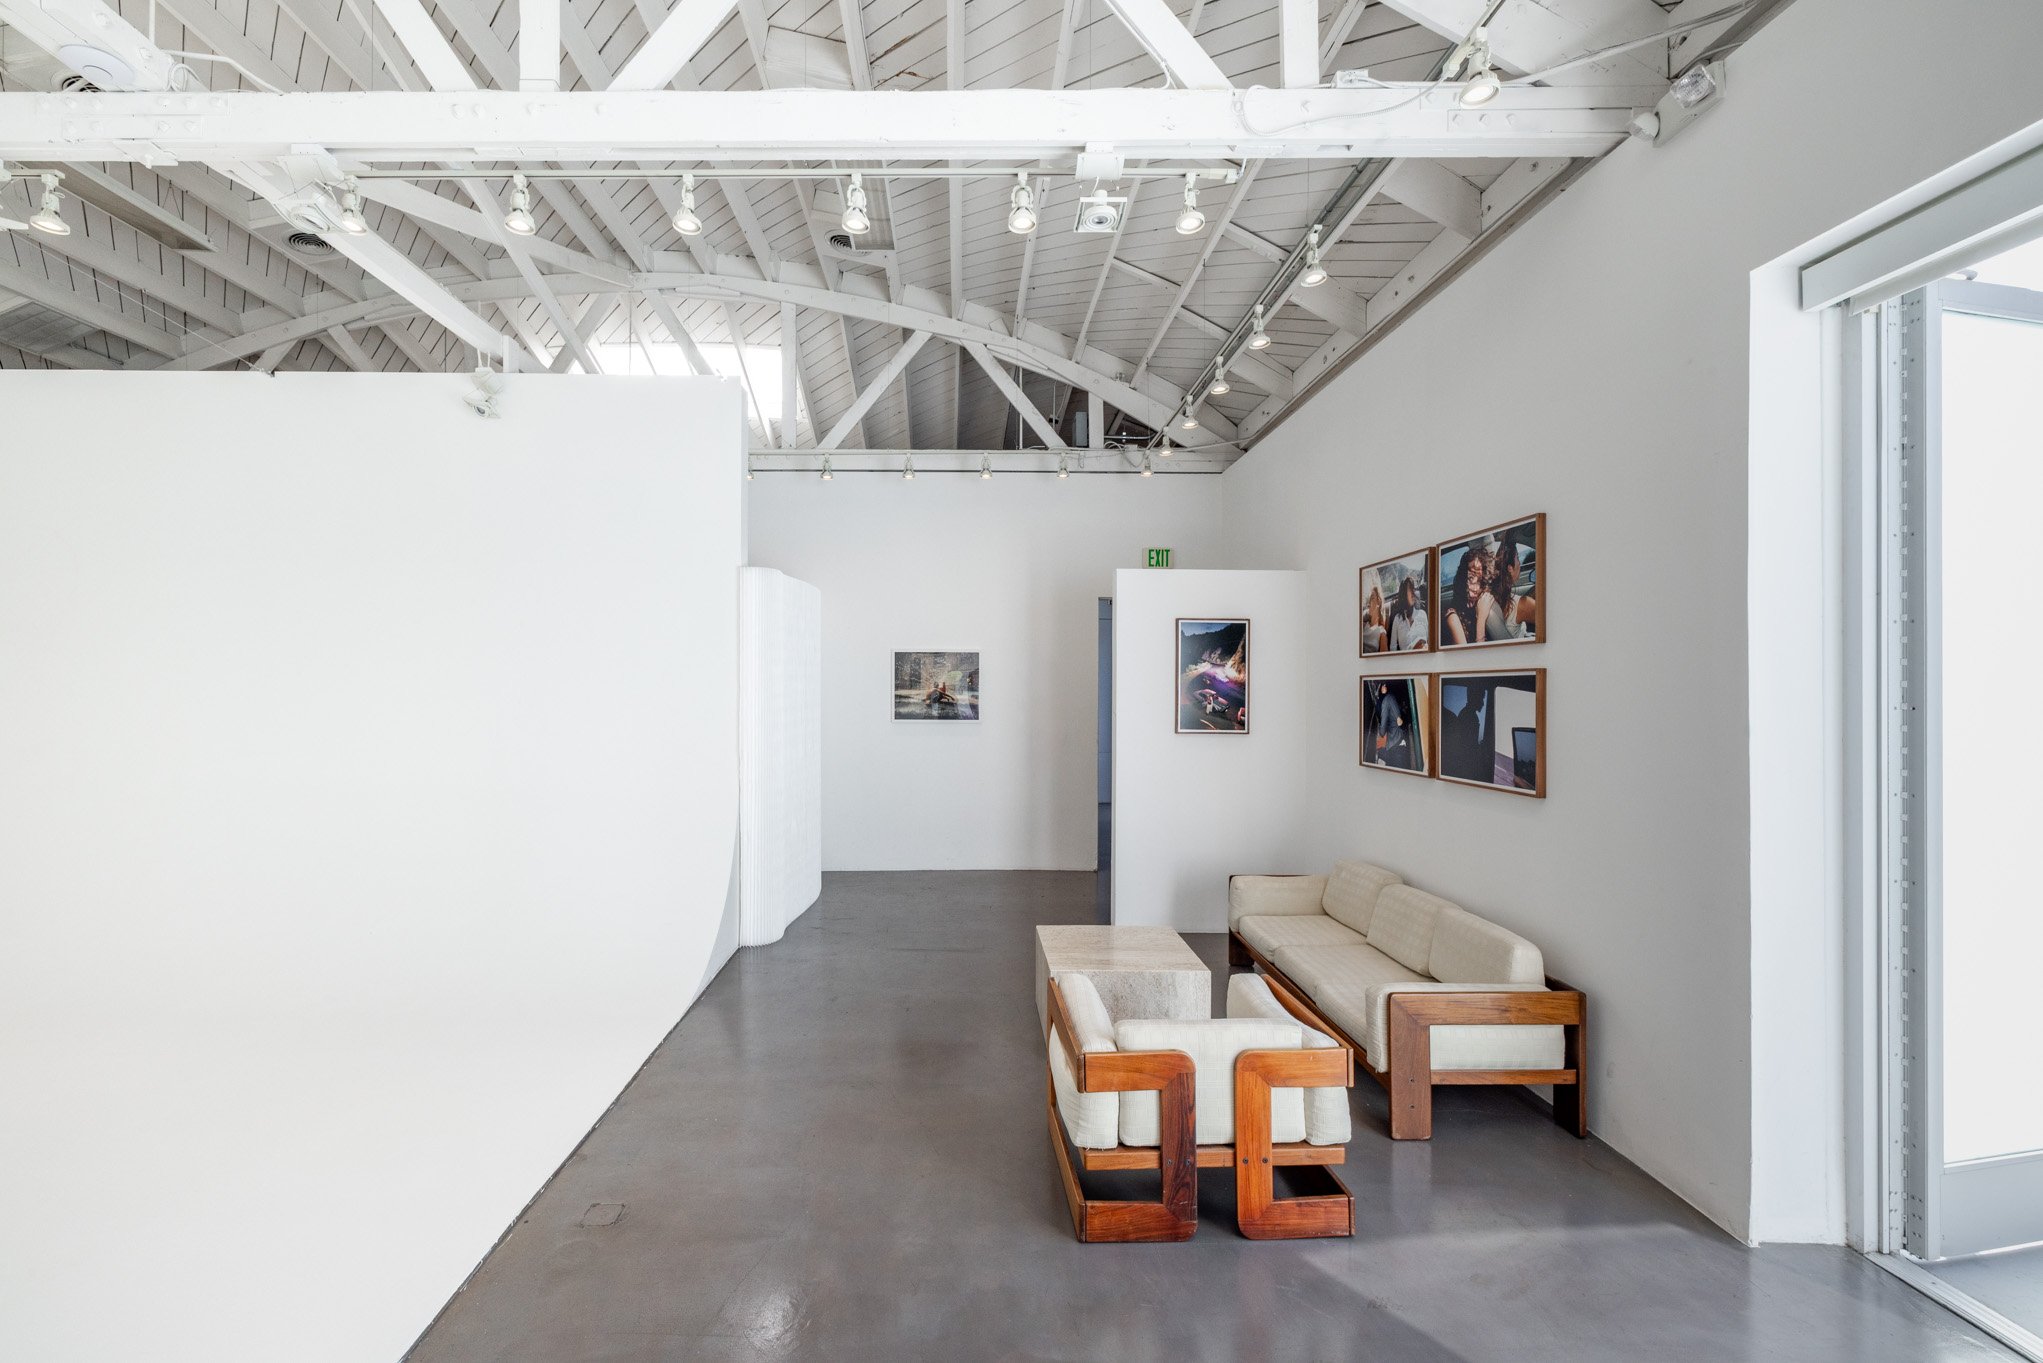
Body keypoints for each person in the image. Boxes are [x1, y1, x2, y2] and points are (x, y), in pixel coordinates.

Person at [1477, 526, 1537, 642]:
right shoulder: (1523, 604)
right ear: (1510, 568)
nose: (1519, 563)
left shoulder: (1490, 598)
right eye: (1518, 559)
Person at [1442, 548, 1485, 646]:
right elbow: (1470, 658)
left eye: (1480, 580)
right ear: (1462, 579)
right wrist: (1481, 619)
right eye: (1470, 578)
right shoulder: (1452, 617)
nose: (1475, 587)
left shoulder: (1476, 607)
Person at [1389, 576, 1429, 652]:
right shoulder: (1397, 619)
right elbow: (1392, 648)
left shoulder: (1422, 614)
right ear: (1404, 594)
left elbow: (1429, 641)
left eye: (1414, 588)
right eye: (1410, 589)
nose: (1414, 592)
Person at [1362, 586, 1388, 654]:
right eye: (1369, 600)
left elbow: (1384, 660)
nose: (1368, 604)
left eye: (1372, 598)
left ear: (1378, 602)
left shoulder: (1381, 632)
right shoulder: (1364, 625)